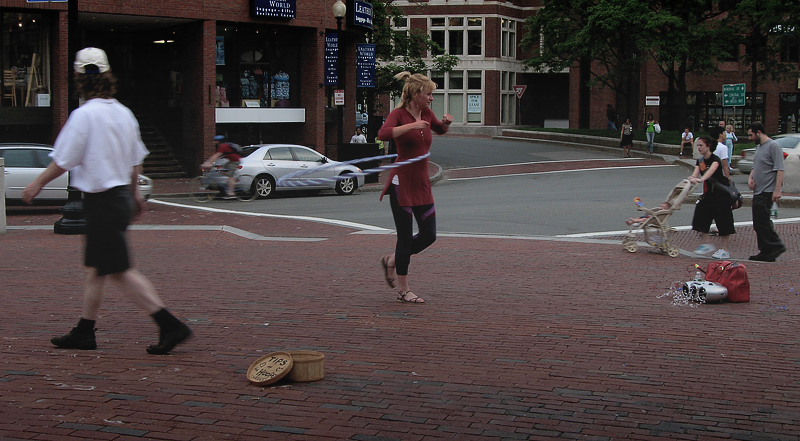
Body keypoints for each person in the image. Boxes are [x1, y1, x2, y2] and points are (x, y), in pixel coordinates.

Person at [21, 47, 192, 354]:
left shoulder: (84, 115)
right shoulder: (123, 113)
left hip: (101, 202)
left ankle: (170, 325)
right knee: (98, 268)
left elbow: (64, 160)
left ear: (78, 78)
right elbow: (135, 160)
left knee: (118, 269)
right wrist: (135, 194)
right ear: (108, 75)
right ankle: (84, 331)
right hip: (119, 198)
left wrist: (36, 183)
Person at [377, 71, 453, 304]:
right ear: (415, 94)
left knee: (429, 235)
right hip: (402, 183)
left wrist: (446, 123)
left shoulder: (427, 113)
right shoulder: (399, 114)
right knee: (405, 237)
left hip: (422, 183)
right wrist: (410, 127)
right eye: (428, 94)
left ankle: (392, 260)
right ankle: (403, 289)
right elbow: (383, 134)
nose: (431, 98)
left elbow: (439, 129)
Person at [688, 136, 735, 259]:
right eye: (697, 145)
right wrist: (692, 178)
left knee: (723, 222)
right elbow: (695, 173)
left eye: (701, 145)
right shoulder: (701, 161)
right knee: (700, 214)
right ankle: (707, 243)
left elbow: (711, 171)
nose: (699, 148)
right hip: (710, 194)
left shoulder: (715, 159)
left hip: (722, 194)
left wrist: (701, 179)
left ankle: (725, 250)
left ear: (708, 146)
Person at [747, 122, 787, 262]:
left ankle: (775, 245)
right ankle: (766, 251)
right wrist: (751, 177)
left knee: (761, 221)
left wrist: (777, 190)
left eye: (751, 135)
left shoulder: (774, 146)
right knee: (759, 222)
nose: (750, 138)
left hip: (767, 190)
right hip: (758, 190)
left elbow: (780, 169)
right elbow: (756, 166)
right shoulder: (759, 147)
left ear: (758, 132)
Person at [202, 135, 242, 199]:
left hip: (235, 161)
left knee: (231, 177)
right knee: (220, 169)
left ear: (219, 141)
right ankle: (233, 179)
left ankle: (231, 193)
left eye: (215, 141)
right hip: (230, 161)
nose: (214, 142)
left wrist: (208, 163)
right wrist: (209, 163)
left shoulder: (223, 146)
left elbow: (216, 155)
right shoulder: (223, 146)